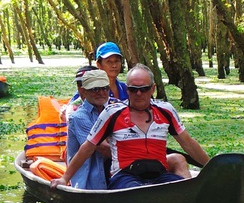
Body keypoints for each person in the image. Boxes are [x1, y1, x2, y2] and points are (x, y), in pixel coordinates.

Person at [51, 63, 210, 190]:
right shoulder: (96, 114)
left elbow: (188, 142)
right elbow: (90, 148)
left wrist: (214, 168)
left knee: (179, 172)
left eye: (144, 89)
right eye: (134, 90)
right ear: (83, 91)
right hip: (110, 174)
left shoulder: (164, 110)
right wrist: (65, 178)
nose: (139, 94)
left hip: (154, 172)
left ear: (152, 89)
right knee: (138, 190)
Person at [66, 69, 115, 189]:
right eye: (95, 89)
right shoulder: (78, 117)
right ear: (83, 92)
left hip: (112, 168)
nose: (101, 93)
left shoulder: (113, 110)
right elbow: (103, 148)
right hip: (90, 179)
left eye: (105, 88)